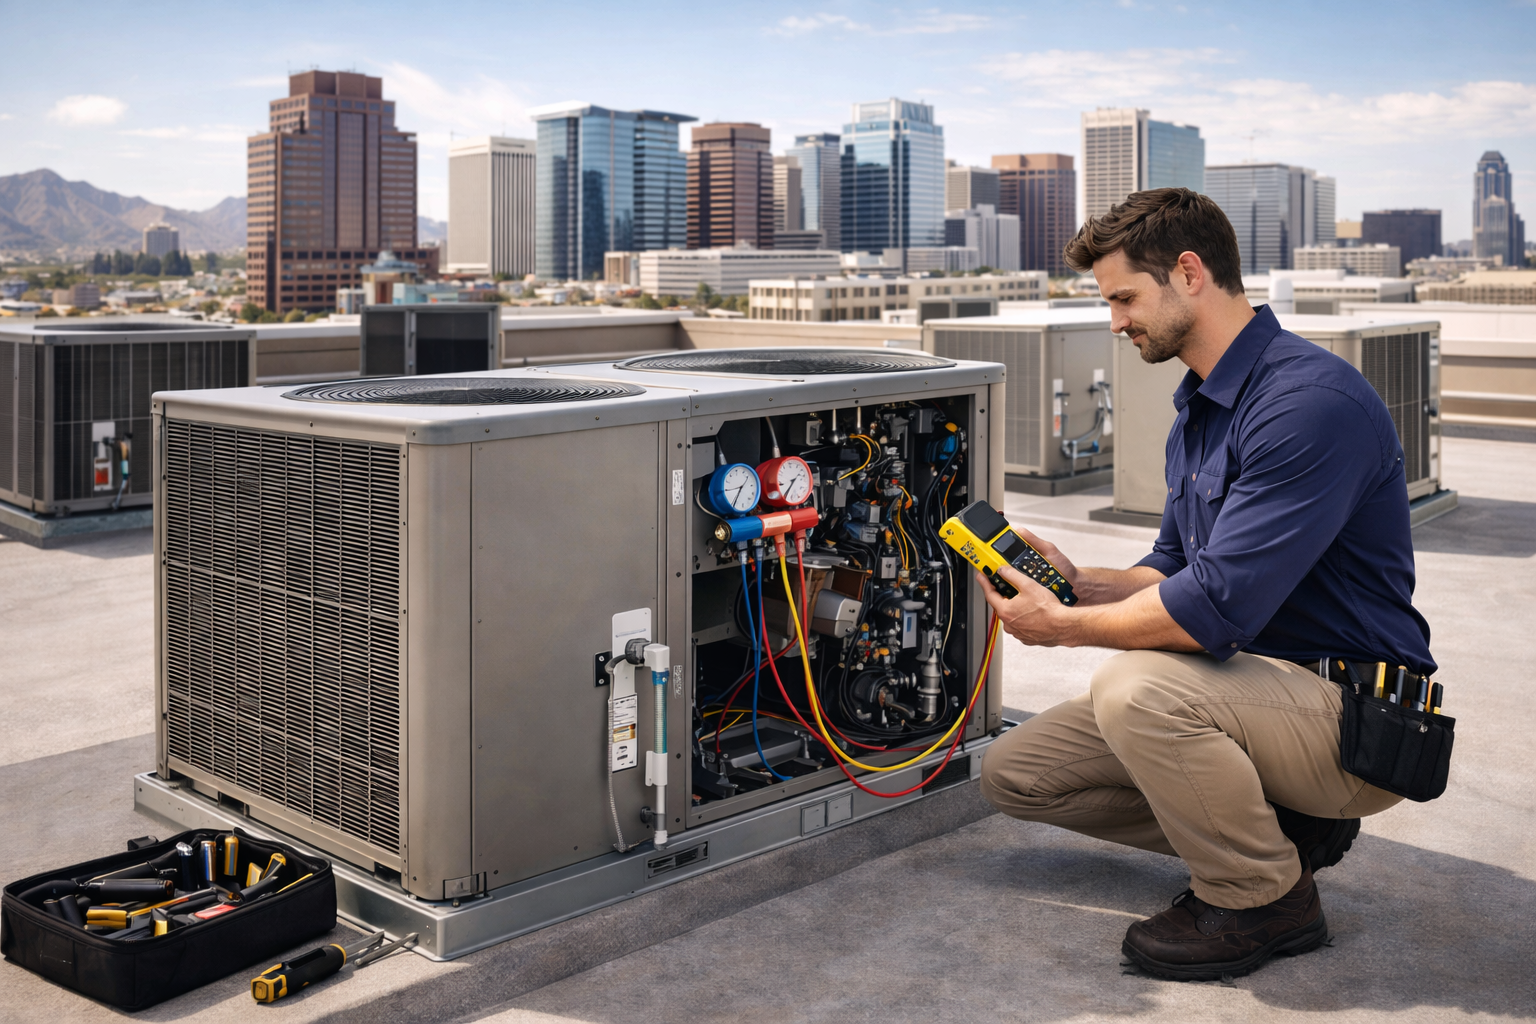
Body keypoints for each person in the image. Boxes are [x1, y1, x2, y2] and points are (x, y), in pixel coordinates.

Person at [976, 188, 1435, 980]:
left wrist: (1065, 628)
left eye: (1124, 297)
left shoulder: (1307, 404)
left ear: (1189, 272)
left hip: (1355, 722)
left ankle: (1262, 896)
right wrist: (1080, 584)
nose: (1115, 322)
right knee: (1018, 775)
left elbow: (1213, 607)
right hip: (1249, 694)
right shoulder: (1201, 404)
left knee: (1136, 687)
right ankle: (1281, 837)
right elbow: (1174, 564)